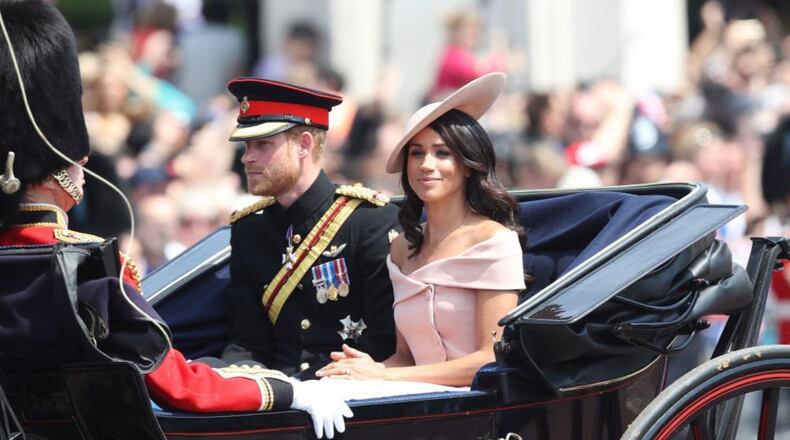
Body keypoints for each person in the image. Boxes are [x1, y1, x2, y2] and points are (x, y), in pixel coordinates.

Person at [0, 2, 347, 437]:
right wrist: (287, 391)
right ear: (56, 166)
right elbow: (181, 388)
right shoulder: (84, 270)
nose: (83, 159)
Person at [317, 73, 526, 387]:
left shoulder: (494, 241)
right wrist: (352, 376)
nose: (426, 164)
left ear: (468, 164)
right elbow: (404, 357)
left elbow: (490, 359)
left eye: (442, 153)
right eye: (416, 153)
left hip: (476, 410)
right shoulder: (402, 248)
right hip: (414, 405)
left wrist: (382, 375)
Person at [221, 78, 399, 378]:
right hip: (280, 398)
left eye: (262, 144)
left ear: (304, 145)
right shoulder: (250, 229)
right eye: (246, 145)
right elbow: (247, 342)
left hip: (350, 395)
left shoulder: (369, 221)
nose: (247, 157)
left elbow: (383, 342)